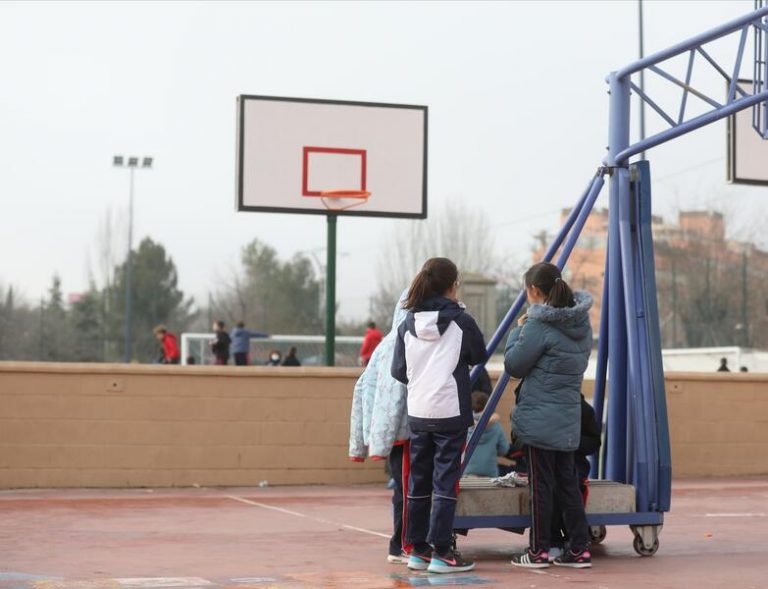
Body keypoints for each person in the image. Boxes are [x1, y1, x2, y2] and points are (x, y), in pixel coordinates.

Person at [391, 257, 487, 574]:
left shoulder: (407, 324)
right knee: (445, 481)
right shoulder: (462, 321)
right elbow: (479, 356)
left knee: (419, 480)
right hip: (450, 411)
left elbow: (399, 371)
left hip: (419, 410)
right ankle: (443, 550)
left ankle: (418, 548)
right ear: (452, 285)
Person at [505, 262, 593, 569]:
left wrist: (518, 330)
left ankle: (539, 551)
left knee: (541, 486)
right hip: (568, 418)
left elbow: (514, 366)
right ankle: (579, 548)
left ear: (533, 291)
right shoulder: (581, 323)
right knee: (567, 484)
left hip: (540, 420)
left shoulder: (537, 326)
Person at [349, 288, 410, 564]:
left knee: (404, 489)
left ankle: (401, 542)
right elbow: (371, 387)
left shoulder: (384, 345)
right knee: (413, 489)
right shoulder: (404, 341)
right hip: (411, 427)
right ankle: (406, 542)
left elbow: (364, 387)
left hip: (397, 429)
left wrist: (369, 435)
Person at [548, 395, 601, 561]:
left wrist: (571, 440)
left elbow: (594, 442)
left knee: (567, 490)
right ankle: (557, 541)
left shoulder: (583, 409)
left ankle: (570, 542)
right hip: (551, 462)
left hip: (574, 463)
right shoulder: (544, 404)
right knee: (549, 489)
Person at [464, 391, 510, 477]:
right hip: (490, 473)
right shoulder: (496, 426)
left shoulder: (464, 426)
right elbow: (504, 449)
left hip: (467, 472)